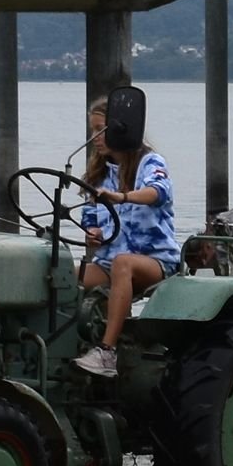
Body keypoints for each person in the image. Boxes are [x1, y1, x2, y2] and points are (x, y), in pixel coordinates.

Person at [71, 84, 177, 380]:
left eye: (101, 130)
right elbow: (89, 214)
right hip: (109, 262)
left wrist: (123, 196)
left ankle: (107, 352)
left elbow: (158, 192)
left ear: (121, 130)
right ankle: (65, 345)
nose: (96, 139)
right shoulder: (101, 173)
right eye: (93, 131)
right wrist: (91, 231)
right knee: (62, 273)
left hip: (154, 261)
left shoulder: (150, 163)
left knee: (123, 264)